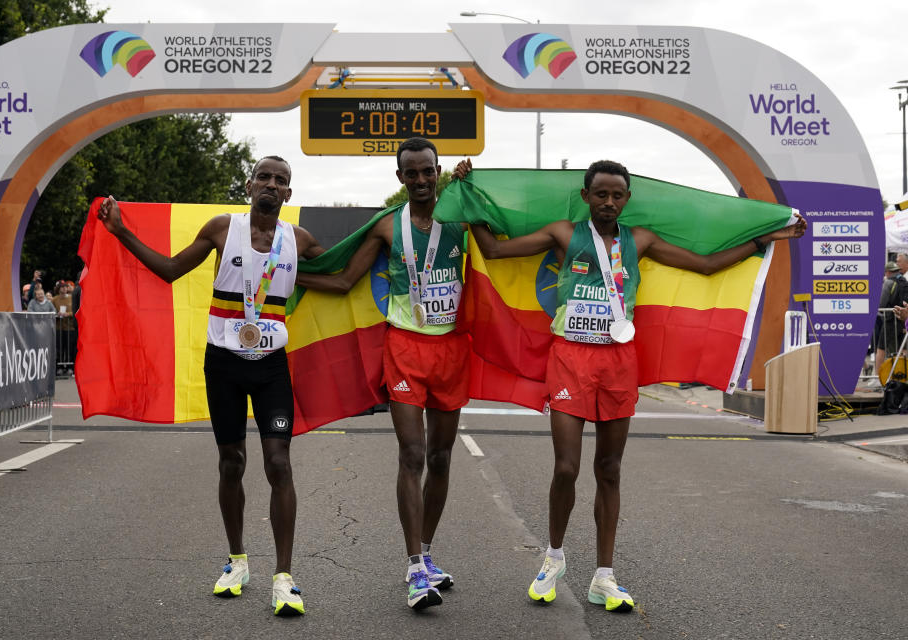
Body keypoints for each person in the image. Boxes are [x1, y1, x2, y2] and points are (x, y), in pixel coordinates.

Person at [464, 158, 806, 612]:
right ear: (585, 196)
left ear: (627, 199)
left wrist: (765, 238)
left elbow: (704, 265)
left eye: (617, 195)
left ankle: (604, 577)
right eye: (600, 193)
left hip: (619, 362)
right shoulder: (564, 233)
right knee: (566, 466)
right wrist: (467, 196)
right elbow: (494, 250)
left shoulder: (638, 240)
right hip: (570, 358)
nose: (608, 202)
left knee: (609, 468)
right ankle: (553, 558)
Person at [97, 156, 325, 615]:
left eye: (281, 181)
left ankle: (284, 577)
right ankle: (237, 560)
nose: (272, 184)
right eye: (264, 176)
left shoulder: (298, 241)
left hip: (271, 366)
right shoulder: (223, 228)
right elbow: (169, 269)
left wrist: (387, 252)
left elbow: (340, 278)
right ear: (249, 184)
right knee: (231, 462)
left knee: (278, 463)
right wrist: (120, 230)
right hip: (223, 362)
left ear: (289, 194)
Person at [296, 137, 466, 611]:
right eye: (410, 173)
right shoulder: (387, 229)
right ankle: (414, 568)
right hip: (405, 348)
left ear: (440, 171)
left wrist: (475, 188)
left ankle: (428, 556)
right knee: (411, 454)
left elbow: (506, 237)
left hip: (452, 349)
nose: (420, 180)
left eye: (427, 171)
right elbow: (344, 280)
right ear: (400, 178)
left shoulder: (460, 217)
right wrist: (285, 271)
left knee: (442, 458)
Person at [874, 261, 908, 377]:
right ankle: (903, 376)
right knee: (903, 349)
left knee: (881, 349)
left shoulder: (888, 282)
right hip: (904, 321)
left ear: (888, 272)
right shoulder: (905, 281)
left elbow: (881, 304)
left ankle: (877, 378)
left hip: (890, 320)